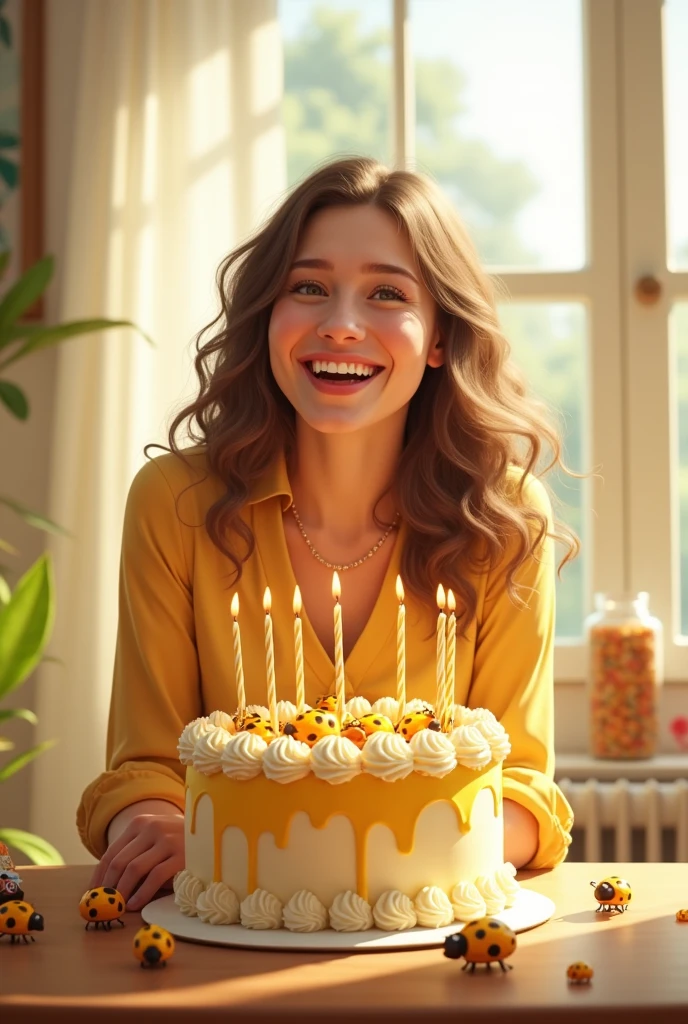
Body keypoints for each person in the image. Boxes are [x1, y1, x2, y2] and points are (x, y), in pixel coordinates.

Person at [79, 156, 578, 912]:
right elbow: (146, 770)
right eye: (307, 287)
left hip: (434, 954)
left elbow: (520, 799)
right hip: (216, 942)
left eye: (386, 293)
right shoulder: (175, 503)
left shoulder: (503, 517)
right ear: (268, 315)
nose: (341, 323)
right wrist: (153, 822)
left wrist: (281, 852)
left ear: (441, 336)